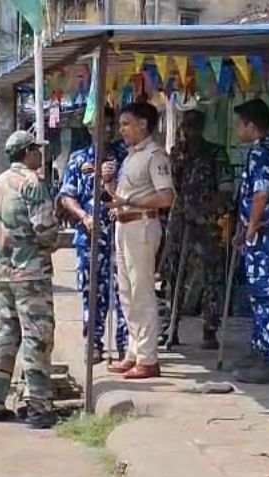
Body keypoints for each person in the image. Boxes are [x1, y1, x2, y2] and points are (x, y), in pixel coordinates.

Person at [0, 131, 60, 429]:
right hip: (31, 274)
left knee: (5, 335)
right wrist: (52, 241)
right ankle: (38, 406)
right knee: (37, 337)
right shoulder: (32, 183)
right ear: (27, 152)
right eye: (36, 150)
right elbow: (45, 230)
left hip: (4, 273)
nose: (39, 154)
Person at [101, 103, 176, 380]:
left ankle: (147, 357)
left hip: (141, 225)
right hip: (124, 225)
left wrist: (130, 200)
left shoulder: (155, 156)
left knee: (141, 292)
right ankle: (134, 352)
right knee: (127, 293)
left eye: (126, 124)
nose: (121, 130)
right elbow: (120, 196)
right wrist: (108, 183)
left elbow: (166, 197)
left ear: (143, 124)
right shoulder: (132, 156)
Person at [58, 112, 129, 364]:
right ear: (90, 128)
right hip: (90, 238)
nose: (106, 130)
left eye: (111, 126)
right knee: (92, 292)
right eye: (101, 125)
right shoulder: (79, 159)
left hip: (120, 234)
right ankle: (94, 343)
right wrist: (83, 216)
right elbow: (67, 196)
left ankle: (125, 346)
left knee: (123, 292)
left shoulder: (125, 156)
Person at [232, 99, 269, 384]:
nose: (237, 129)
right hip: (265, 233)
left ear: (251, 125)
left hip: (265, 235)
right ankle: (259, 350)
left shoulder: (262, 153)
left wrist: (251, 227)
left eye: (239, 124)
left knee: (265, 296)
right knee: (259, 295)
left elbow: (261, 194)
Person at [161, 110, 233, 350]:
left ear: (201, 128)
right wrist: (179, 157)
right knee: (173, 275)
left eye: (193, 126)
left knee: (211, 275)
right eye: (185, 126)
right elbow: (172, 186)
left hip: (206, 223)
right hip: (179, 221)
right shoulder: (177, 154)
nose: (188, 131)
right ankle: (171, 326)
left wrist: (203, 209)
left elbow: (225, 191)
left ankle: (210, 328)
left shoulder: (216, 153)